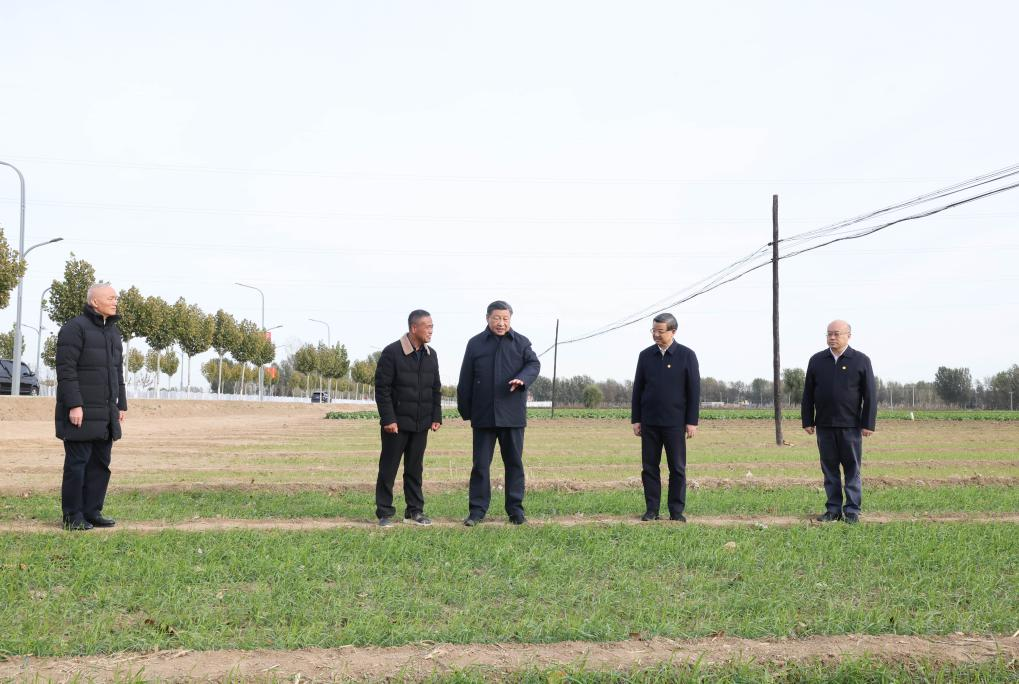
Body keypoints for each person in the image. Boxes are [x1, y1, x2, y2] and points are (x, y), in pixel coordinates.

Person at [457, 300, 540, 526]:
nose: (501, 323)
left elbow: (534, 365)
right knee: (481, 465)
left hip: (512, 415)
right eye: (497, 318)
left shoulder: (521, 343)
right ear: (487, 318)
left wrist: (522, 379)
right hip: (483, 415)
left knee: (514, 463)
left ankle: (515, 510)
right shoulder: (475, 344)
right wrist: (466, 410)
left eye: (505, 319)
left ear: (510, 320)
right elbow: (465, 379)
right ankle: (477, 511)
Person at [55, 282, 127, 531]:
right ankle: (72, 516)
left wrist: (121, 405)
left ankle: (92, 511)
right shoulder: (74, 329)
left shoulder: (114, 333)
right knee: (78, 464)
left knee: (100, 464)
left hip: (105, 412)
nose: (115, 301)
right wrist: (74, 404)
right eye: (110, 297)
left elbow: (117, 371)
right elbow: (66, 371)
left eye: (116, 297)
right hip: (81, 411)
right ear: (94, 301)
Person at [801, 319, 877, 524]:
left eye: (836, 334)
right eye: (829, 334)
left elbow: (870, 394)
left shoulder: (861, 360)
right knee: (829, 469)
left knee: (852, 469)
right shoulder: (817, 360)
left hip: (850, 426)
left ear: (848, 336)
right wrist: (807, 419)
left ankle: (852, 510)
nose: (832, 337)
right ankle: (833, 509)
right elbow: (808, 392)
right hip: (824, 425)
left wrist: (868, 423)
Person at [373, 310, 442, 527]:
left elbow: (435, 389)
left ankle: (414, 511)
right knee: (389, 468)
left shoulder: (432, 355)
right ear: (414, 328)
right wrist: (388, 419)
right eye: (427, 326)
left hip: (421, 423)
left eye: (432, 326)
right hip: (396, 424)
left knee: (415, 469)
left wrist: (436, 415)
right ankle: (384, 512)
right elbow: (382, 389)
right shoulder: (392, 352)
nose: (431, 330)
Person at [631, 313, 700, 522]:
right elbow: (637, 389)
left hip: (675, 422)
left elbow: (694, 390)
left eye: (661, 331)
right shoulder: (645, 356)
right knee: (649, 467)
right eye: (654, 330)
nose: (656, 335)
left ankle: (676, 511)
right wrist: (636, 419)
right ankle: (652, 510)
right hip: (649, 422)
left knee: (677, 468)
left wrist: (691, 421)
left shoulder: (687, 355)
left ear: (673, 331)